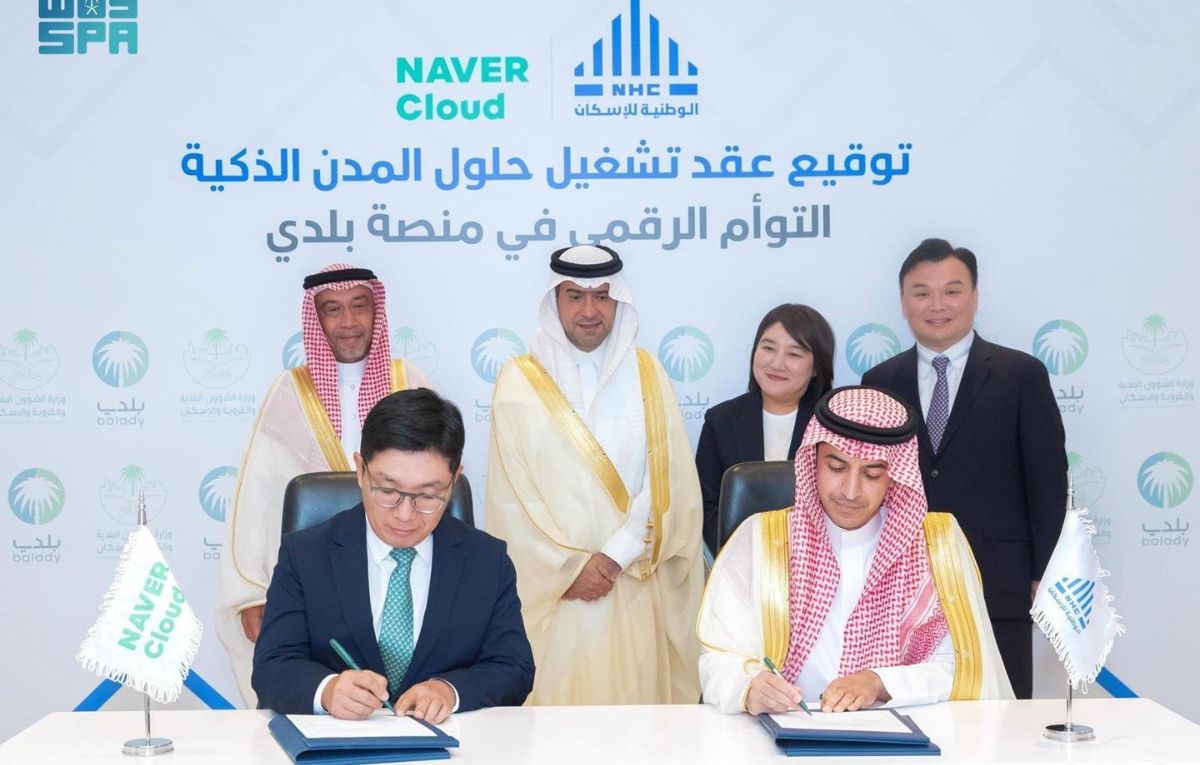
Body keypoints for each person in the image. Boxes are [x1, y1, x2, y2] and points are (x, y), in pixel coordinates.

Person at [698, 386, 1013, 715]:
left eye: (872, 475)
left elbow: (964, 667)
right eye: (836, 468)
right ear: (812, 463)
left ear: (895, 478)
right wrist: (748, 687)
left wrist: (879, 682)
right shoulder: (760, 540)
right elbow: (719, 659)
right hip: (784, 727)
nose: (851, 491)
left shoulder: (937, 547)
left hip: (901, 730)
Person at [485, 244, 704, 705]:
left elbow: (667, 481)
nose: (589, 311)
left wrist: (614, 556)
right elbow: (512, 499)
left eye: (602, 296)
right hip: (555, 600)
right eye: (575, 296)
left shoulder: (648, 374)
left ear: (618, 301)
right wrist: (569, 570)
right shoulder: (518, 381)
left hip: (632, 585)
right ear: (554, 301)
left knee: (635, 729)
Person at [861, 238, 1067, 698]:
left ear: (974, 296)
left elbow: (1048, 483)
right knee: (912, 707)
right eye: (922, 293)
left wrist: (1045, 573)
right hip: (904, 588)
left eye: (951, 291)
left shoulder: (1021, 374)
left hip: (999, 582)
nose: (937, 305)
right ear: (903, 302)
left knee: (1002, 713)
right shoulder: (880, 381)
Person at [217, 263, 430, 706]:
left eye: (359, 306)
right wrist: (252, 595)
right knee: (320, 700)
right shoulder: (288, 391)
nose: (348, 321)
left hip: (398, 582)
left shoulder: (409, 383)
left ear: (376, 311)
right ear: (316, 319)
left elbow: (436, 484)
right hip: (312, 588)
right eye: (333, 309)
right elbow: (257, 499)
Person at [252, 388, 534, 721]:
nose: (404, 515)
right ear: (360, 470)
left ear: (454, 480)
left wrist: (450, 690)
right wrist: (327, 690)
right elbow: (272, 666)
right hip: (339, 742)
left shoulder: (487, 561)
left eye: (427, 496)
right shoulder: (305, 555)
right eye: (387, 491)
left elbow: (514, 667)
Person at [696, 304, 835, 555]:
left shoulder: (835, 424)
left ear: (816, 367)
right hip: (740, 562)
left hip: (818, 561)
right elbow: (707, 506)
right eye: (768, 348)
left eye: (794, 354)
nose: (777, 363)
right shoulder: (721, 420)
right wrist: (745, 560)